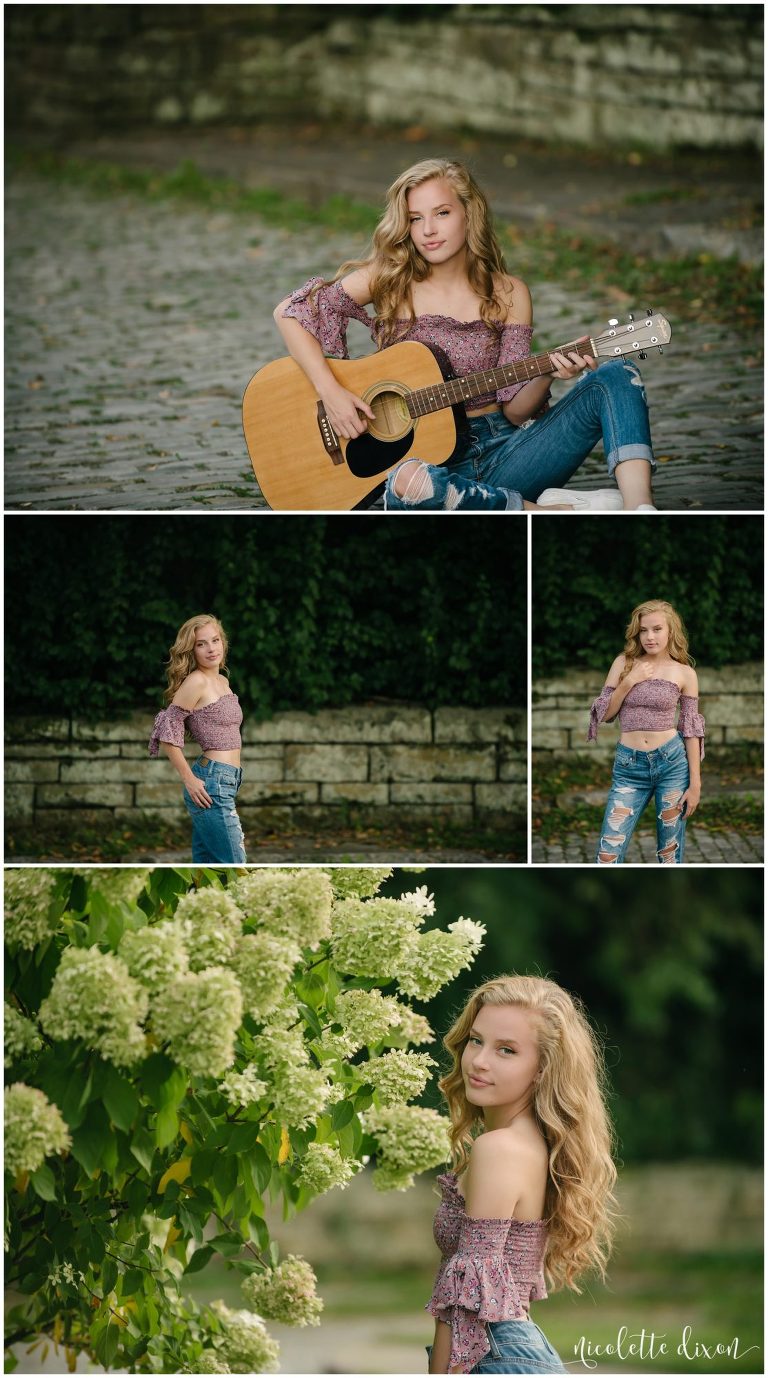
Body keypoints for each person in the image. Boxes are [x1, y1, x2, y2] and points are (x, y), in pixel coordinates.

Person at [273, 157, 657, 512]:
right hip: (422, 463)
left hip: (506, 452)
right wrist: (332, 393)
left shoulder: (508, 292)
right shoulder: (389, 278)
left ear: (468, 213)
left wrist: (544, 372)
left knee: (617, 377)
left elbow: (515, 409)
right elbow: (291, 312)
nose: (428, 230)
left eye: (441, 213)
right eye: (414, 218)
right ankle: (545, 511)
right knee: (408, 481)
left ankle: (639, 509)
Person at [427, 974, 617, 1374]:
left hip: (490, 1353)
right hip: (510, 1352)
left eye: (507, 1050)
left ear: (543, 1069)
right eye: (476, 1040)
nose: (479, 1060)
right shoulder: (530, 1145)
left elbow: (466, 1299)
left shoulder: (500, 1150)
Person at [588, 600, 705, 865]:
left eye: (657, 629)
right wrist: (630, 680)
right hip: (629, 767)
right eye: (643, 630)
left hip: (672, 765)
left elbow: (690, 729)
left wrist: (695, 784)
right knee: (608, 853)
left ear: (670, 631)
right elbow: (605, 714)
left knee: (669, 853)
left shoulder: (685, 673)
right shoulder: (624, 663)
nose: (649, 637)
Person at [148, 615, 245, 863]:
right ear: (192, 650)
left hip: (227, 780)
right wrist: (189, 780)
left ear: (223, 642)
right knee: (235, 865)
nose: (211, 648)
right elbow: (167, 732)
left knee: (207, 871)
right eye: (202, 644)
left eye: (215, 640)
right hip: (211, 782)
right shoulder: (196, 682)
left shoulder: (222, 681)